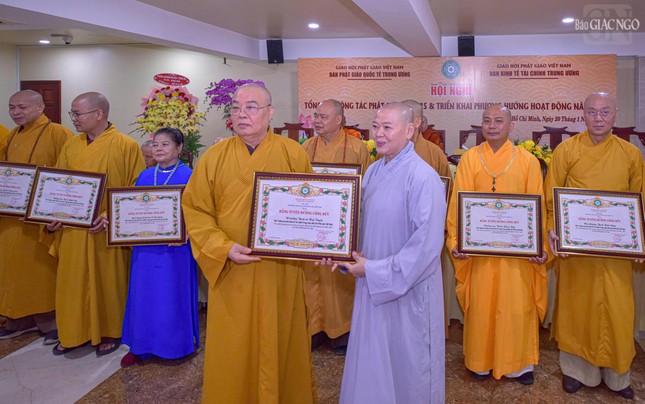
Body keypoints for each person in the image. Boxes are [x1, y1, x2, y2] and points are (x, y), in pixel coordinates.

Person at [181, 84, 314, 403]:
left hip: (279, 269)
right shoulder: (214, 156)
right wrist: (222, 247)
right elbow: (195, 209)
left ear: (270, 113)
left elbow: (312, 206)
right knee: (233, 344)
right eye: (236, 108)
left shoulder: (292, 152)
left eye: (251, 107)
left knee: (280, 337)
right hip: (232, 269)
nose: (242, 114)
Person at [324, 102, 446, 403]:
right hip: (372, 286)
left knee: (407, 367)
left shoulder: (423, 177)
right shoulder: (374, 171)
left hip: (407, 292)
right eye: (375, 126)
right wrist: (341, 253)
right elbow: (361, 225)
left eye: (387, 127)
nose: (378, 134)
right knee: (372, 361)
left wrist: (373, 269)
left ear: (410, 130)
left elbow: (426, 247)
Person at [545, 92, 643, 399]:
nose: (598, 118)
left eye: (604, 112)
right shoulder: (566, 150)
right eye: (592, 112)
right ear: (583, 114)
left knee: (618, 310)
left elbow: (640, 201)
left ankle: (618, 376)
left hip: (615, 251)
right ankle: (576, 371)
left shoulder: (631, 154)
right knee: (577, 309)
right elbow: (551, 197)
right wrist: (552, 229)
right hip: (577, 251)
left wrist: (639, 240)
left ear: (615, 115)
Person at [446, 104, 549, 385]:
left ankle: (519, 365)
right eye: (487, 121)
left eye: (498, 121)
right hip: (480, 253)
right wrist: (456, 241)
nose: (492, 126)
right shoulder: (469, 159)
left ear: (510, 126)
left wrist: (538, 246)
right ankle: (479, 362)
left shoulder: (528, 161)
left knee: (516, 306)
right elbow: (457, 205)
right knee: (482, 307)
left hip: (517, 255)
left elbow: (538, 207)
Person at [46, 92, 145, 356]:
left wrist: (110, 214)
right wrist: (51, 214)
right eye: (73, 113)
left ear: (99, 114)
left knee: (108, 283)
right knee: (72, 284)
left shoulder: (125, 145)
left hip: (105, 230)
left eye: (77, 113)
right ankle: (73, 332)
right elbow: (58, 183)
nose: (74, 119)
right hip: (72, 230)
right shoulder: (71, 145)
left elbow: (135, 188)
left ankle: (110, 332)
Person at [120, 127, 199, 368]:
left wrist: (186, 232)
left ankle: (176, 346)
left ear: (179, 147)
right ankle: (140, 346)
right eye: (155, 145)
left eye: (165, 144)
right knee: (143, 294)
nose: (159, 149)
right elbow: (131, 207)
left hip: (176, 248)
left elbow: (200, 210)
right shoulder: (144, 175)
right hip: (145, 249)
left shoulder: (190, 175)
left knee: (171, 295)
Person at [0, 90, 73, 344]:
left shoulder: (58, 133)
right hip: (12, 218)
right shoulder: (12, 135)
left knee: (42, 271)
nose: (15, 112)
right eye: (11, 107)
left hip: (41, 221)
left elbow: (69, 174)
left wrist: (55, 209)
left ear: (40, 107)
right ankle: (18, 318)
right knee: (12, 270)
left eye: (22, 107)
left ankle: (50, 320)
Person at [301, 99, 371, 355]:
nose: (317, 121)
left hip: (343, 225)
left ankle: (342, 331)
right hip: (312, 222)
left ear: (339, 119)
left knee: (339, 278)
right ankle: (314, 329)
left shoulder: (357, 148)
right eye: (316, 116)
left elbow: (366, 187)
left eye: (323, 117)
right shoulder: (306, 147)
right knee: (312, 275)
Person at [402, 99, 451, 178]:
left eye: (403, 118)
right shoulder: (387, 152)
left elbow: (445, 184)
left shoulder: (435, 153)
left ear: (417, 122)